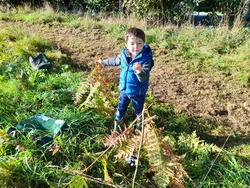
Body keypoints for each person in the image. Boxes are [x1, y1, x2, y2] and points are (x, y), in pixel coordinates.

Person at [98, 27, 154, 132]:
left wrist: (139, 71)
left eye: (139, 43)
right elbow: (115, 61)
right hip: (124, 89)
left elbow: (143, 78)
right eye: (132, 43)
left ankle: (138, 128)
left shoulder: (146, 59)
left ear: (144, 43)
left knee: (138, 111)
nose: (136, 47)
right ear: (126, 45)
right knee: (120, 108)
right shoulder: (124, 55)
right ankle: (117, 127)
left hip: (138, 92)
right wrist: (103, 62)